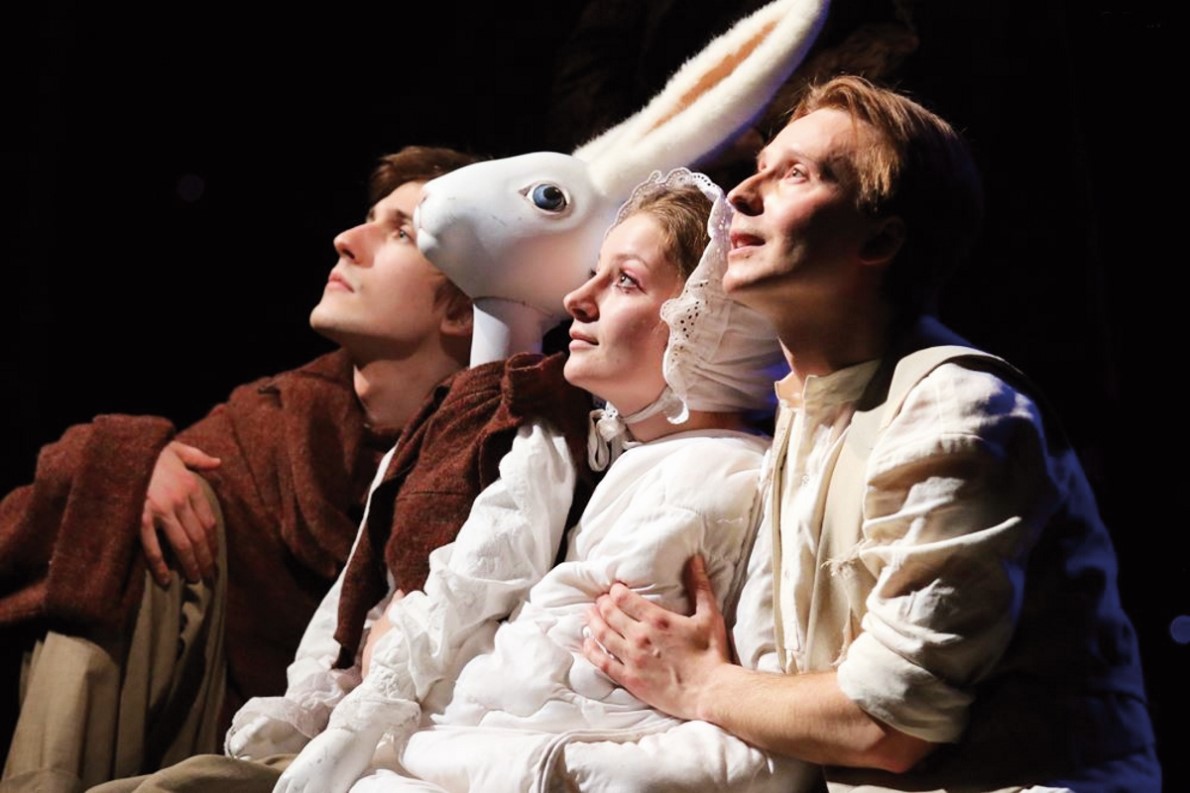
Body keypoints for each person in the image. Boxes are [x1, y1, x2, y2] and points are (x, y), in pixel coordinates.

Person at [581, 75, 1162, 792]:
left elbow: (887, 722)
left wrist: (703, 683)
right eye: (757, 169)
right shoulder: (807, 409)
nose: (741, 197)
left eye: (796, 174)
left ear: (881, 237)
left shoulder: (953, 411)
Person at [217, 168, 799, 793]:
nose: (579, 298)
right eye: (595, 272)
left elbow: (761, 734)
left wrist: (394, 680)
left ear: (708, 323)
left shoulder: (728, 478)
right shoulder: (610, 462)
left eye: (625, 280)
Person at [0, 145, 482, 791]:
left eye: (400, 233)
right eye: (368, 218)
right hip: (204, 724)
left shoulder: (498, 453)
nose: (346, 240)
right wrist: (131, 466)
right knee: (130, 518)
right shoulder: (275, 426)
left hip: (381, 757)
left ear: (462, 307)